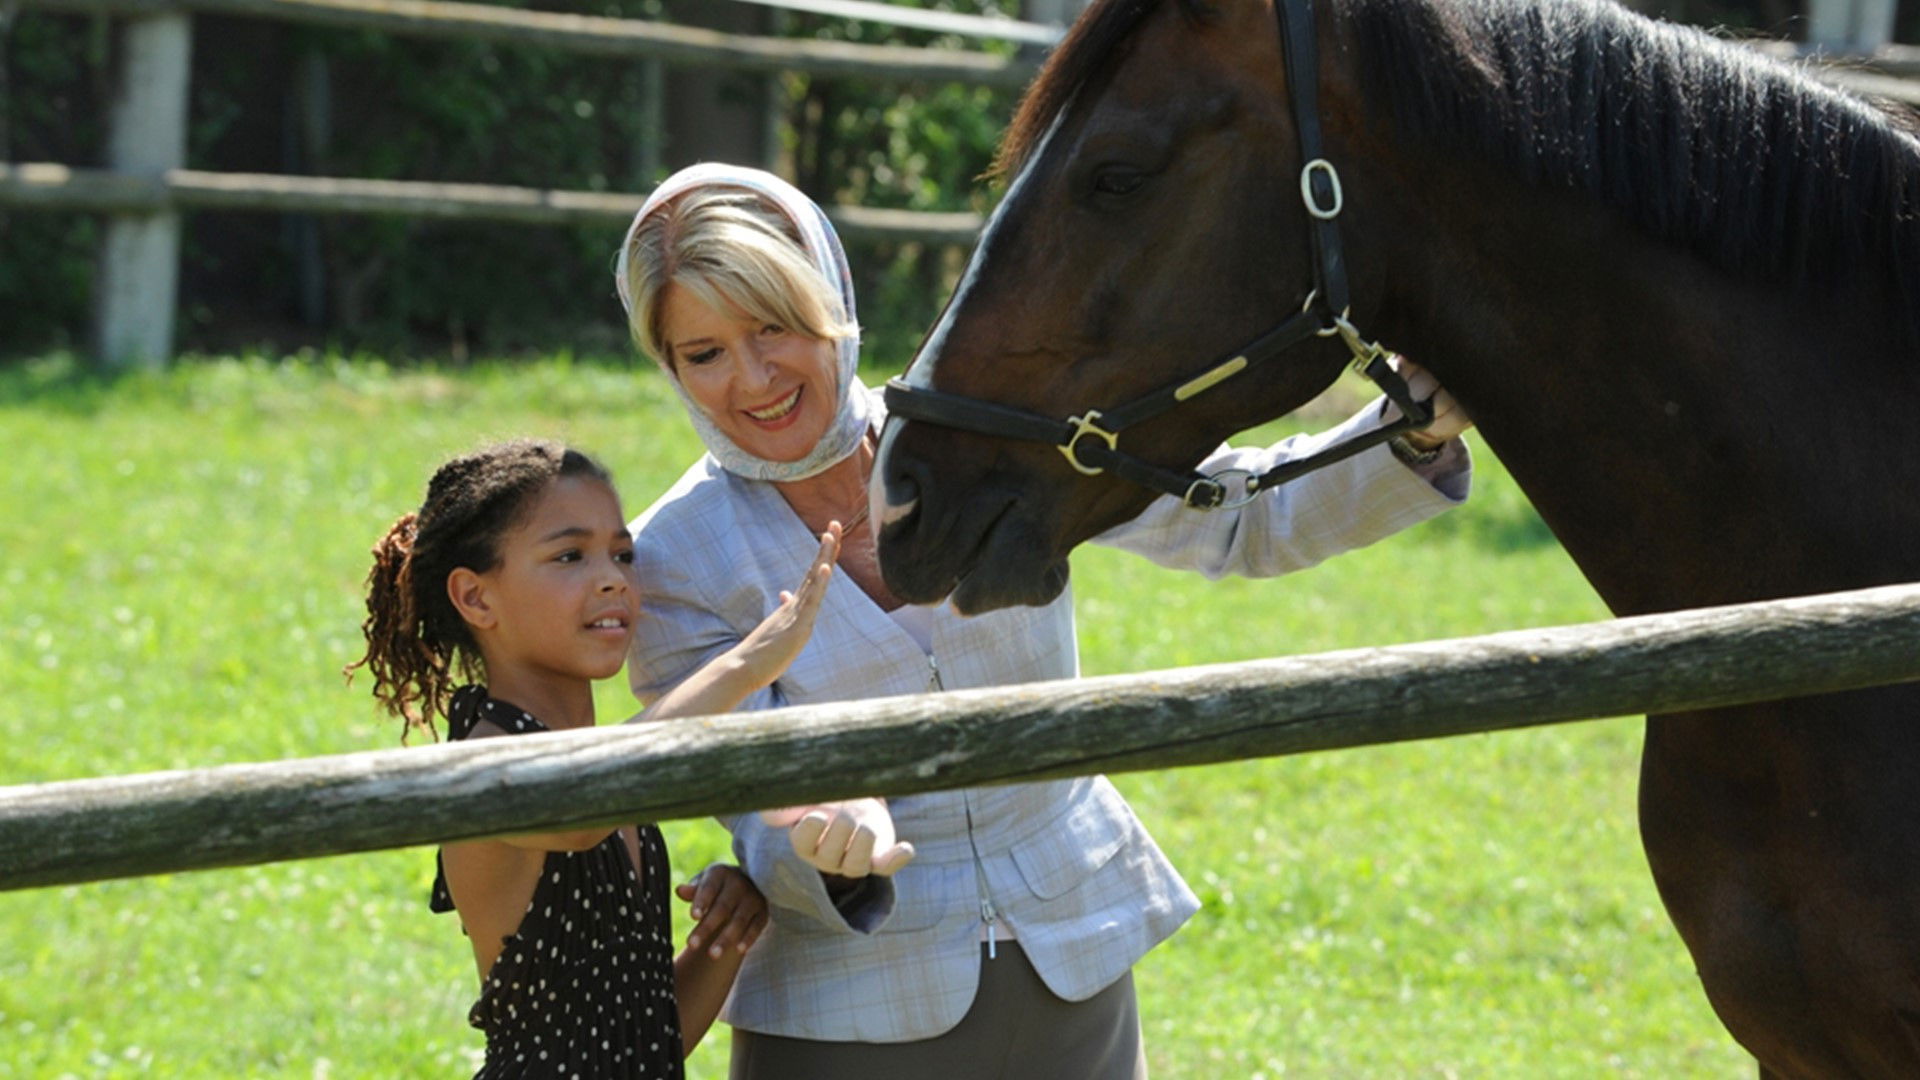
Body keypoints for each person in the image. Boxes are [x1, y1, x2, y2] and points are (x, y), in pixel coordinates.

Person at [613, 164, 1474, 1080]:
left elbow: (1237, 516)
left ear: (832, 300)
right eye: (702, 353)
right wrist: (821, 831)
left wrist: (1406, 435)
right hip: (846, 1013)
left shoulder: (994, 437)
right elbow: (743, 794)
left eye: (773, 326)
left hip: (1075, 956)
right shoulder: (667, 561)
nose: (751, 379)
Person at [343, 437, 856, 1079]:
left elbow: (637, 1043)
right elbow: (583, 805)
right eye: (569, 555)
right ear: (476, 599)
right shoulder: (483, 757)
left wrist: (726, 934)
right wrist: (745, 664)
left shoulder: (617, 777)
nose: (613, 577)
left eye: (622, 553)